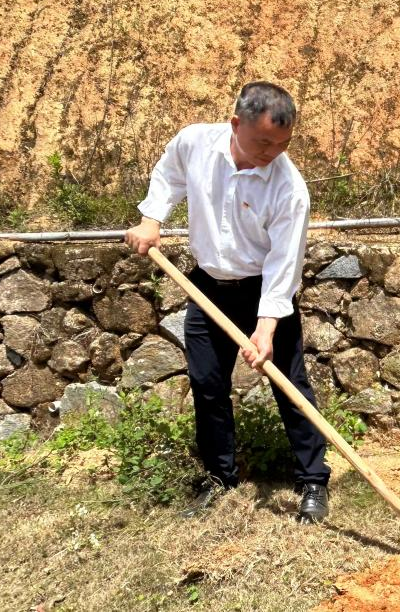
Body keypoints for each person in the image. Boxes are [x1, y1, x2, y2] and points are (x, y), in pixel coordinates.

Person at [124, 81, 330, 523]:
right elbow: (169, 172)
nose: (272, 151)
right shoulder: (196, 142)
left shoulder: (288, 188)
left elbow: (284, 262)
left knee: (289, 385)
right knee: (207, 383)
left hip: (262, 291)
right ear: (235, 124)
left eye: (282, 143)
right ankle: (220, 478)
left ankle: (313, 480)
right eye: (263, 141)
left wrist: (267, 326)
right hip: (207, 286)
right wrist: (151, 219)